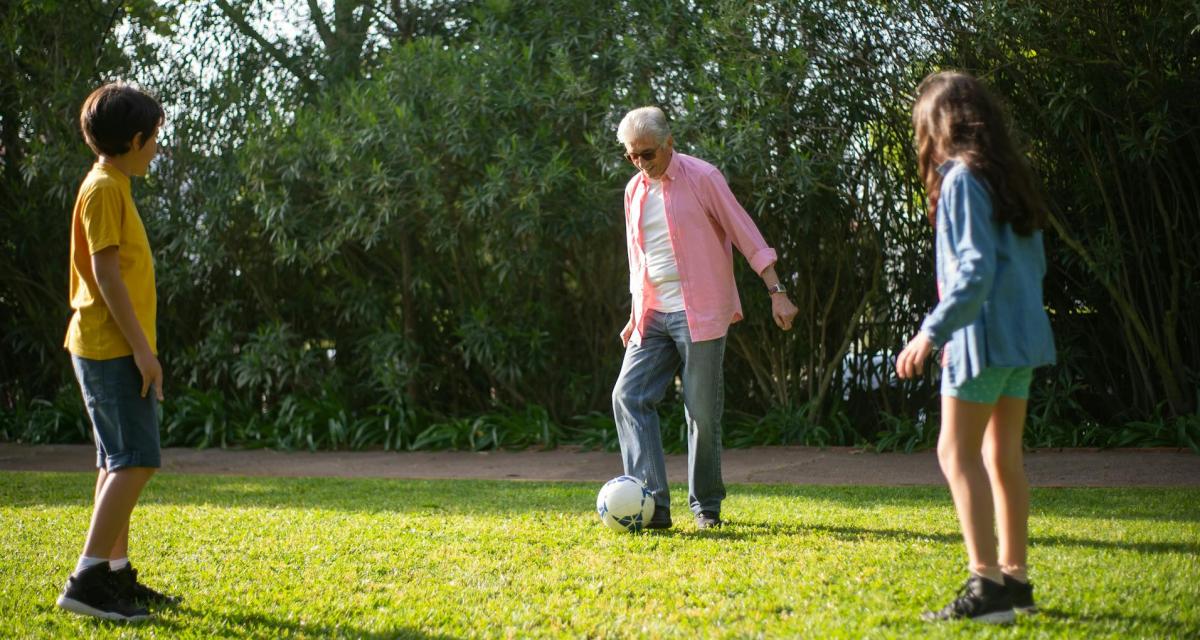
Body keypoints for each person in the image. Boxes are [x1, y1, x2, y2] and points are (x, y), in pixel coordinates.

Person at [895, 71, 1056, 623]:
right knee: (1001, 457)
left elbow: (973, 272)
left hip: (981, 341)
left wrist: (930, 332)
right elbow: (1026, 267)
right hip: (1022, 339)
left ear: (938, 125)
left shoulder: (962, 179)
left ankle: (985, 586)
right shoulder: (1010, 179)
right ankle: (1016, 583)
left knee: (954, 452)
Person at [612, 106, 799, 530]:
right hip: (653, 313)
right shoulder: (633, 191)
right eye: (632, 156)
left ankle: (706, 507)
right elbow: (636, 258)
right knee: (628, 395)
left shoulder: (703, 178)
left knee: (701, 411)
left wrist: (777, 292)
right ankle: (652, 506)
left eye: (647, 154)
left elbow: (745, 232)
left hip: (700, 313)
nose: (640, 163)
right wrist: (634, 312)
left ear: (669, 143)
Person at [56, 82, 180, 621]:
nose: (156, 147)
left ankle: (114, 575)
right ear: (134, 139)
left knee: (116, 460)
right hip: (111, 348)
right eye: (154, 138)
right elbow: (107, 274)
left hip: (108, 346)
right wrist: (143, 352)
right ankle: (86, 579)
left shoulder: (112, 183)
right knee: (136, 459)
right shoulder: (106, 187)